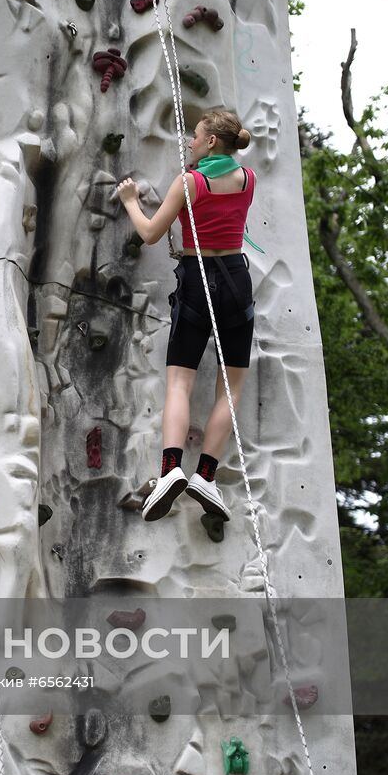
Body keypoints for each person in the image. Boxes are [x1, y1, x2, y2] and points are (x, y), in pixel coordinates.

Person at [116, 108, 256, 523]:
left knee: (180, 381)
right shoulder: (248, 180)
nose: (190, 143)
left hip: (197, 279)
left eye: (195, 136)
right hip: (235, 280)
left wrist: (129, 201)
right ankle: (206, 477)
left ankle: (170, 469)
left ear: (212, 141)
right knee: (229, 389)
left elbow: (150, 233)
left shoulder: (190, 182)